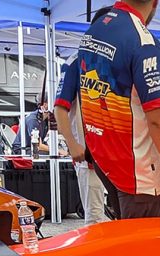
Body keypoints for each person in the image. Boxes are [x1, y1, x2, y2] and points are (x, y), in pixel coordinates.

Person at [71, 0, 160, 218]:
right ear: (155, 2)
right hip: (137, 172)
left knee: (125, 238)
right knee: (142, 248)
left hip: (105, 159)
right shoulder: (143, 41)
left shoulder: (94, 31)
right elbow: (159, 119)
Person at [55, 55, 108, 224]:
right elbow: (60, 108)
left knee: (117, 216)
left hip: (116, 155)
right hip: (89, 155)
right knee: (94, 217)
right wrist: (72, 144)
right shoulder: (76, 61)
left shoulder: (118, 54)